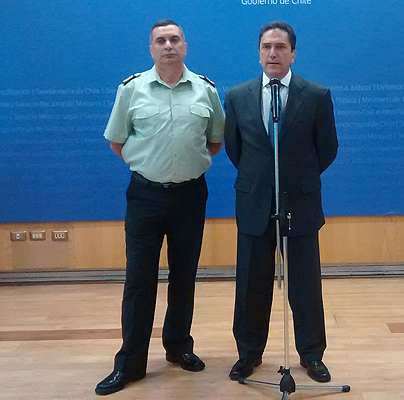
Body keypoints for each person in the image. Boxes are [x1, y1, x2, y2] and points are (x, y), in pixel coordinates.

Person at [95, 19, 224, 396]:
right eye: (161, 40)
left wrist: (183, 167)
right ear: (151, 49)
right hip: (145, 196)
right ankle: (130, 363)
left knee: (184, 275)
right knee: (139, 279)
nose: (168, 45)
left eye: (175, 39)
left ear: (185, 46)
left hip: (190, 196)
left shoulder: (205, 90)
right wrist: (149, 167)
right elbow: (117, 141)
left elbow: (214, 141)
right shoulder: (131, 89)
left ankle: (179, 346)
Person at [223, 21, 338, 383]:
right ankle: (249, 353)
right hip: (254, 203)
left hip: (300, 204)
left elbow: (327, 149)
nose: (273, 53)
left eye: (280, 47)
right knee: (251, 285)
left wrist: (294, 179)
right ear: (259, 53)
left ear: (293, 54)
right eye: (267, 47)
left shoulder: (316, 95)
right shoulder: (237, 96)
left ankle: (311, 354)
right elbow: (235, 149)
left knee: (305, 285)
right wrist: (262, 179)